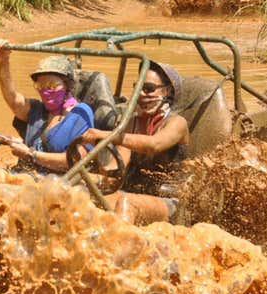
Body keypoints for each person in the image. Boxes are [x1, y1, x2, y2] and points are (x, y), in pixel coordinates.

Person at [80, 62, 189, 224]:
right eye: (138, 88)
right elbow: (116, 169)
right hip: (133, 191)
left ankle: (119, 247)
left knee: (126, 204)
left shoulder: (177, 123)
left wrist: (106, 135)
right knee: (80, 193)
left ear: (167, 91)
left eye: (149, 88)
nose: (142, 94)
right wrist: (86, 177)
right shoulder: (132, 123)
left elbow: (153, 145)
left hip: (169, 200)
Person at [0, 39, 94, 173]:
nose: (45, 91)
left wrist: (30, 154)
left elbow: (75, 162)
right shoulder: (37, 110)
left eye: (52, 86)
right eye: (40, 86)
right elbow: (12, 98)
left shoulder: (80, 114)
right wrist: (4, 61)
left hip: (56, 183)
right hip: (24, 175)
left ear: (67, 85)